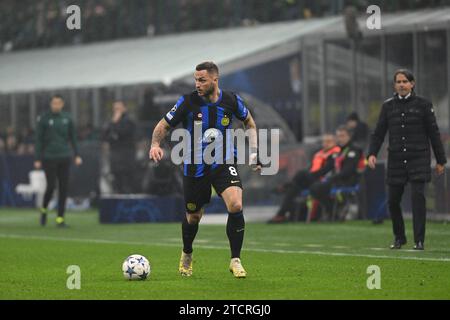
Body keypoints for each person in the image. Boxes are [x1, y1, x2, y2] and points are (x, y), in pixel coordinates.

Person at [149, 61, 260, 278]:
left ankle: (235, 260)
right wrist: (155, 144)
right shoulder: (187, 102)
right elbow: (163, 125)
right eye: (195, 80)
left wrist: (255, 151)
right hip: (194, 167)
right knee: (194, 216)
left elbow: (249, 123)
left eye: (202, 80)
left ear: (215, 80)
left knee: (236, 204)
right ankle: (187, 253)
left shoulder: (231, 100)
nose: (197, 84)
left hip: (223, 162)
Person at [368, 69, 447, 250]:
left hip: (419, 158)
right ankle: (399, 237)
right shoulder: (388, 106)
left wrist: (441, 160)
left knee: (418, 198)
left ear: (412, 84)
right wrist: (371, 153)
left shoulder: (424, 105)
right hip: (396, 159)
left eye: (405, 81)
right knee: (393, 201)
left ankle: (419, 240)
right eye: (398, 82)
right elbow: (379, 132)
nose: (402, 85)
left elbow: (434, 133)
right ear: (394, 85)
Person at [267, 133, 340, 223]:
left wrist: (310, 175)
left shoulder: (335, 153)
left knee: (301, 174)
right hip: (313, 180)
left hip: (323, 181)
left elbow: (327, 169)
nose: (326, 143)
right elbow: (311, 167)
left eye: (329, 141)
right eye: (324, 141)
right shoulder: (319, 153)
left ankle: (284, 187)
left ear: (335, 142)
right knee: (293, 188)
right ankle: (281, 214)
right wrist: (309, 174)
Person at [34, 95, 82, 227]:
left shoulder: (67, 118)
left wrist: (77, 155)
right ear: (51, 104)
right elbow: (38, 139)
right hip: (49, 157)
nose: (56, 105)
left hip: (65, 156)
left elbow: (73, 138)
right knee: (51, 186)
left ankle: (60, 218)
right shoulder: (44, 119)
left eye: (58, 103)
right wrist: (37, 158)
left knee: (64, 188)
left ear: (62, 104)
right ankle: (44, 209)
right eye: (54, 103)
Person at [309, 125, 364, 220]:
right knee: (314, 187)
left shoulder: (354, 150)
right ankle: (334, 209)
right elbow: (328, 167)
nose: (340, 139)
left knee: (319, 188)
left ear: (349, 136)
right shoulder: (338, 151)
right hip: (336, 179)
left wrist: (331, 178)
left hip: (349, 180)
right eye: (338, 136)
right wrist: (312, 175)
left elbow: (348, 170)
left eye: (342, 136)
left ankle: (334, 209)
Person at [103, 101, 136, 194]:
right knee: (116, 177)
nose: (117, 111)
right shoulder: (111, 121)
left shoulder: (129, 121)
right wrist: (113, 124)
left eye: (119, 108)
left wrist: (115, 125)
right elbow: (105, 135)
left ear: (124, 109)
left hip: (127, 154)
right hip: (115, 154)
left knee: (127, 178)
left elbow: (123, 133)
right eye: (115, 108)